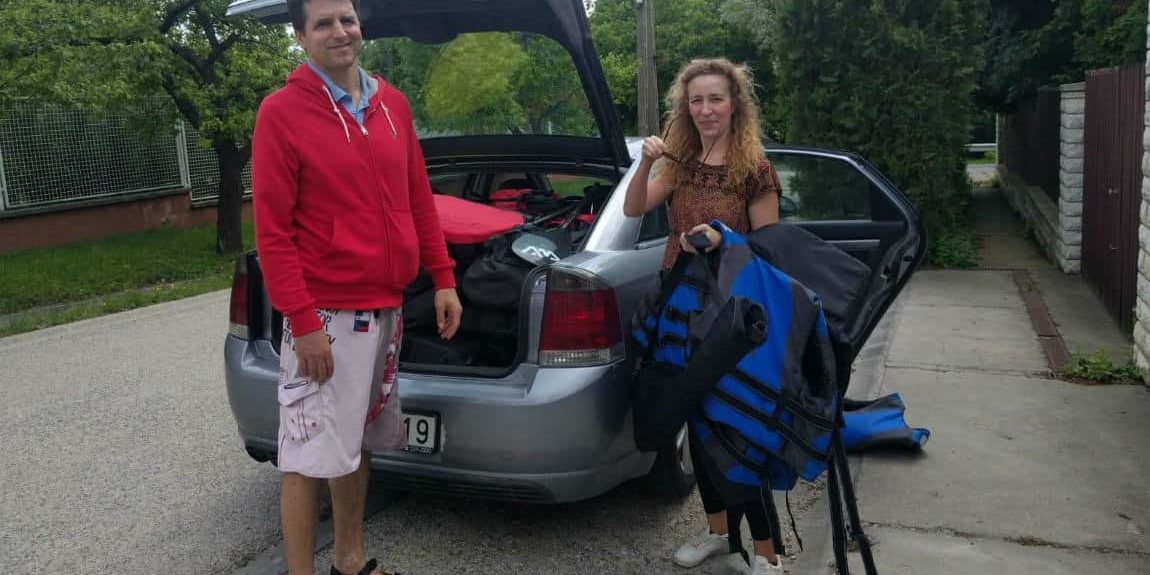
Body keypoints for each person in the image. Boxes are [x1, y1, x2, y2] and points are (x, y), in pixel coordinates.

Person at [251, 0, 462, 574]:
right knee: (305, 455)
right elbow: (273, 234)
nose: (339, 31)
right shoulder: (281, 113)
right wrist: (303, 324)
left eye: (346, 18)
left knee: (355, 443)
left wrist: (444, 277)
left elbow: (418, 197)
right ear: (300, 37)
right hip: (324, 315)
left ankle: (350, 561)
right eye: (323, 23)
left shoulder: (391, 103)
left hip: (385, 308)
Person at [622, 58, 784, 574]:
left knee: (737, 424)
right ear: (685, 107)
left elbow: (771, 250)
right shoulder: (679, 163)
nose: (706, 109)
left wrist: (724, 238)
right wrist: (643, 164)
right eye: (697, 100)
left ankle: (768, 554)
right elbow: (633, 209)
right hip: (678, 306)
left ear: (734, 104)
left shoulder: (755, 169)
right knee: (694, 418)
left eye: (716, 98)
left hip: (730, 312)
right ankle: (719, 534)